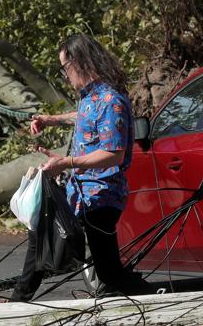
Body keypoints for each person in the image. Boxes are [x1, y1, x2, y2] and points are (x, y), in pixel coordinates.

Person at [9, 33, 149, 302]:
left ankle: (159, 301)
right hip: (82, 193)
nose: (64, 76)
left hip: (101, 197)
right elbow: (84, 115)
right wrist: (51, 119)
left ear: (80, 62)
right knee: (41, 231)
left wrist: (67, 162)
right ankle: (19, 298)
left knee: (110, 274)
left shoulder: (111, 100)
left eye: (64, 68)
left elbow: (114, 154)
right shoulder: (93, 96)